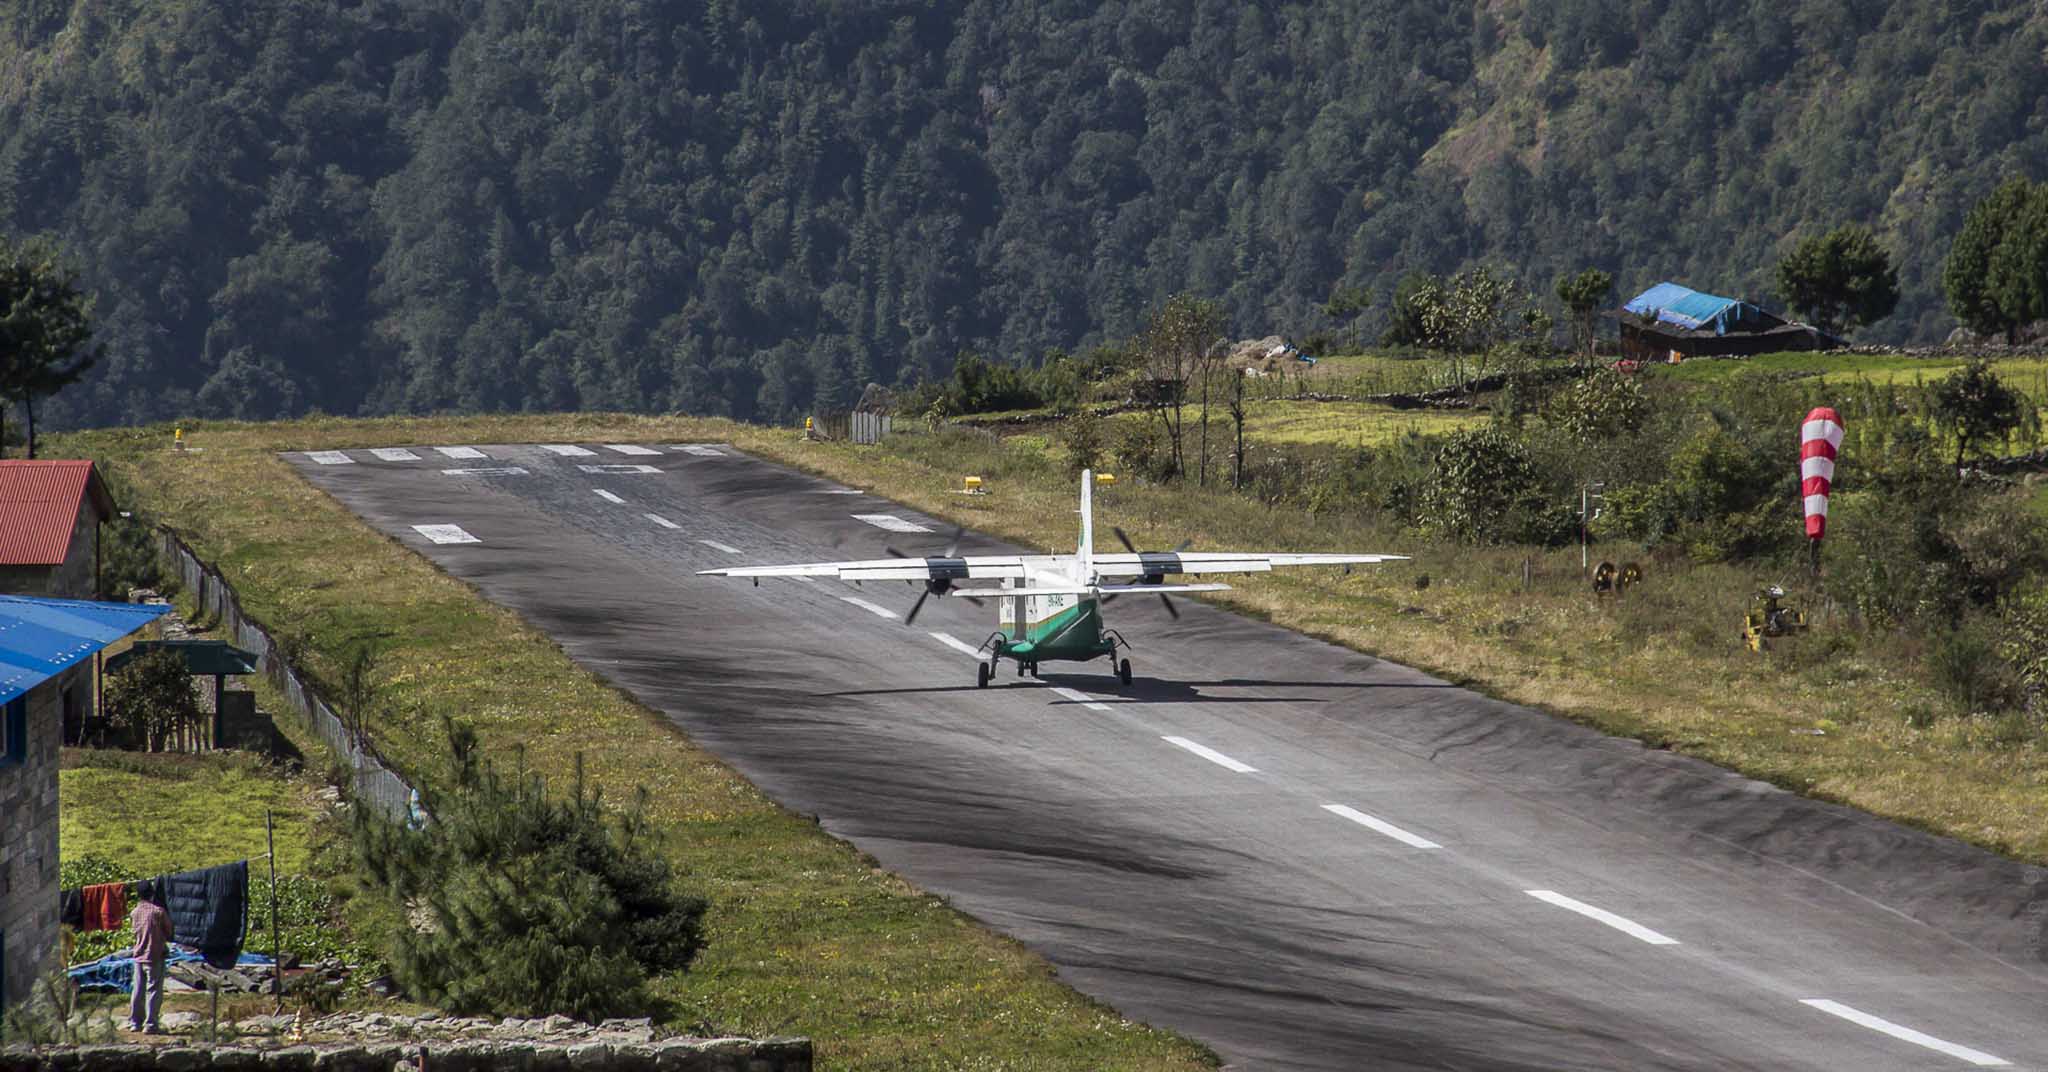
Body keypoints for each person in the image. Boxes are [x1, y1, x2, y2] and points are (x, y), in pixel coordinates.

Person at [127, 881, 170, 1034]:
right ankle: (150, 1024)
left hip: (138, 955)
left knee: (137, 989)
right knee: (153, 990)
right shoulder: (158, 912)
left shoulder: (134, 912)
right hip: (154, 955)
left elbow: (134, 932)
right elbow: (169, 930)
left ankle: (135, 1022)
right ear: (152, 894)